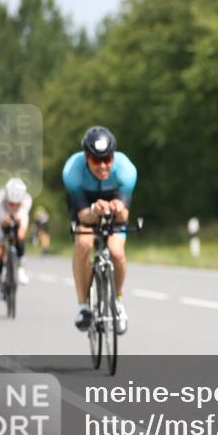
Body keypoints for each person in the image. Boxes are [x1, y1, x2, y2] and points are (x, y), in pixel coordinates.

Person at [62, 126, 137, 334]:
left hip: (113, 208)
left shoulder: (126, 170)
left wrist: (117, 208)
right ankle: (83, 308)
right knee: (83, 245)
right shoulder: (72, 171)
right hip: (86, 208)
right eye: (96, 160)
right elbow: (83, 216)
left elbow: (124, 217)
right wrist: (95, 210)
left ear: (114, 156)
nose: (103, 166)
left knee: (116, 252)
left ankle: (118, 302)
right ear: (86, 158)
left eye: (107, 159)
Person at [0, 177, 32, 299]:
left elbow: (21, 220)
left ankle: (21, 268)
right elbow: (3, 222)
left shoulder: (27, 199)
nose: (13, 206)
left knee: (20, 235)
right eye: (11, 203)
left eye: (16, 204)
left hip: (18, 217)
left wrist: (18, 224)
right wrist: (6, 221)